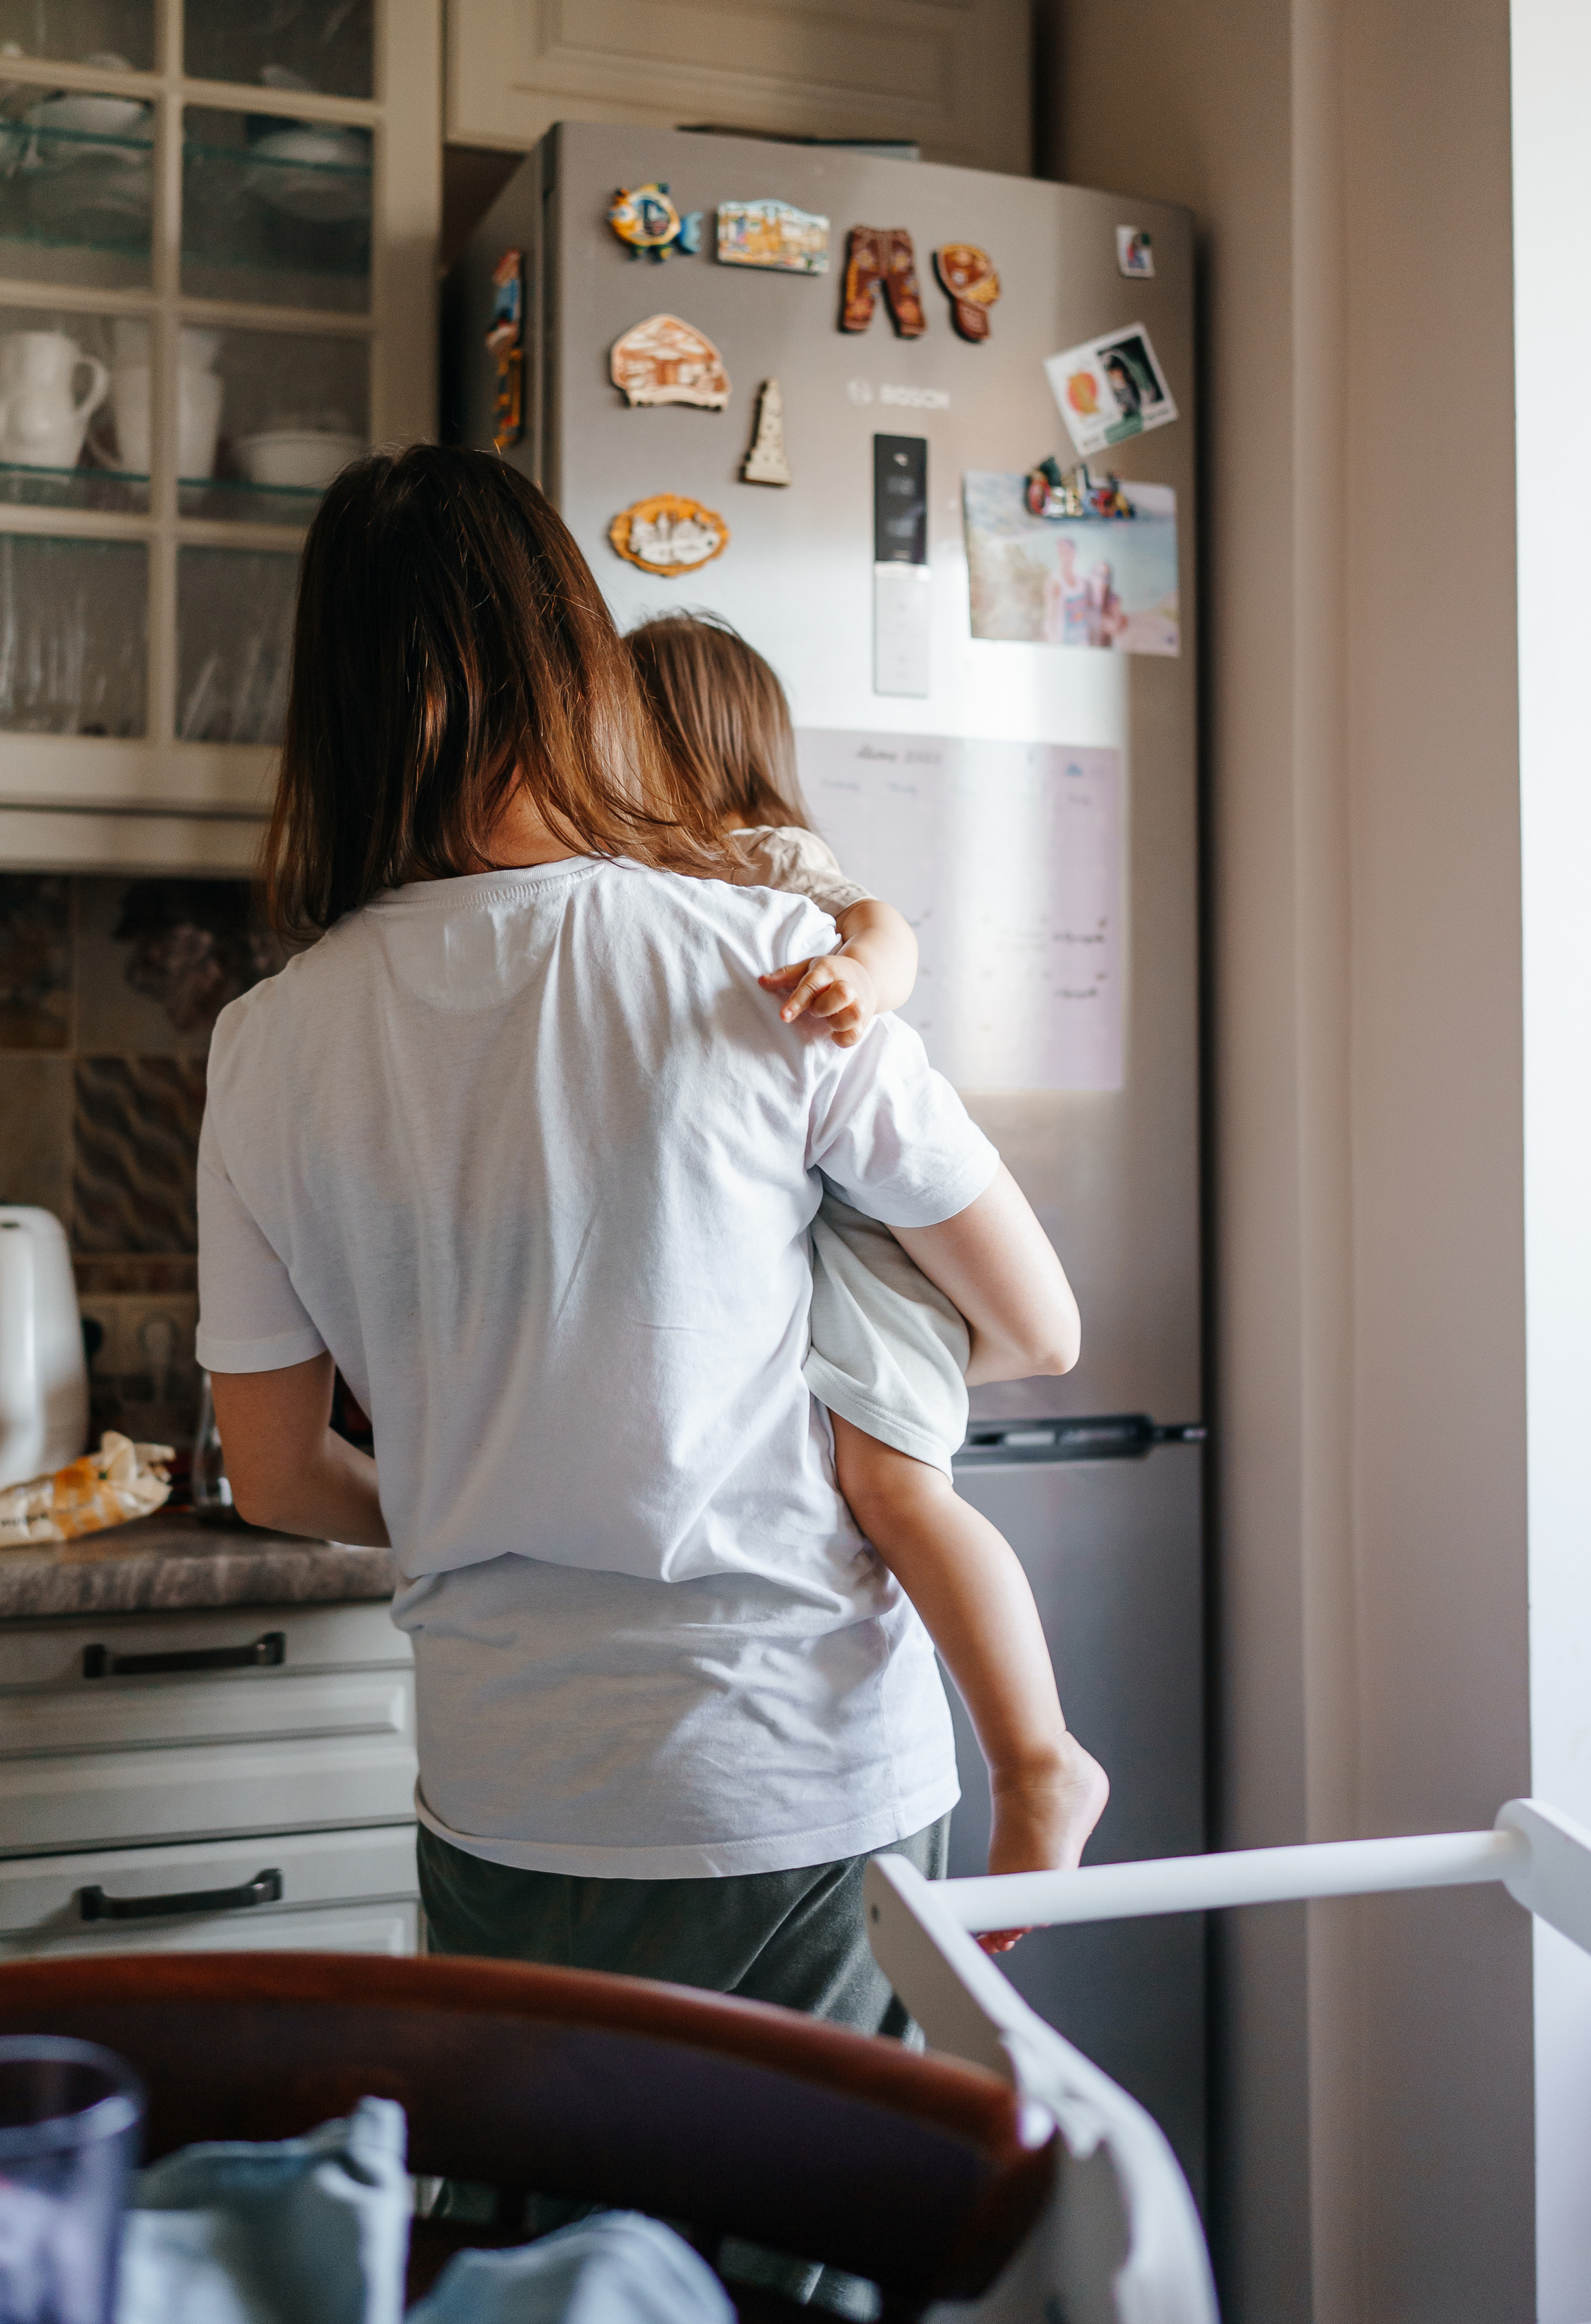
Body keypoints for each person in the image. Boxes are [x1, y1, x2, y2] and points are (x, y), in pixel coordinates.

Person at [199, 445, 1084, 2035]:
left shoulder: (264, 1046)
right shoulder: (766, 961)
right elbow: (1037, 1328)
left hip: (503, 1780)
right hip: (794, 1775)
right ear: (573, 662)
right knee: (807, 2200)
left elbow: (273, 1477)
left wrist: (499, 1493)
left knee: (548, 2200)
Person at [626, 612, 1107, 1926]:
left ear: (680, 742)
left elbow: (884, 926)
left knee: (894, 1487)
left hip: (864, 1237)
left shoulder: (762, 857)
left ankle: (1039, 1761)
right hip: (810, 1231)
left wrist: (859, 976)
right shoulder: (633, 875)